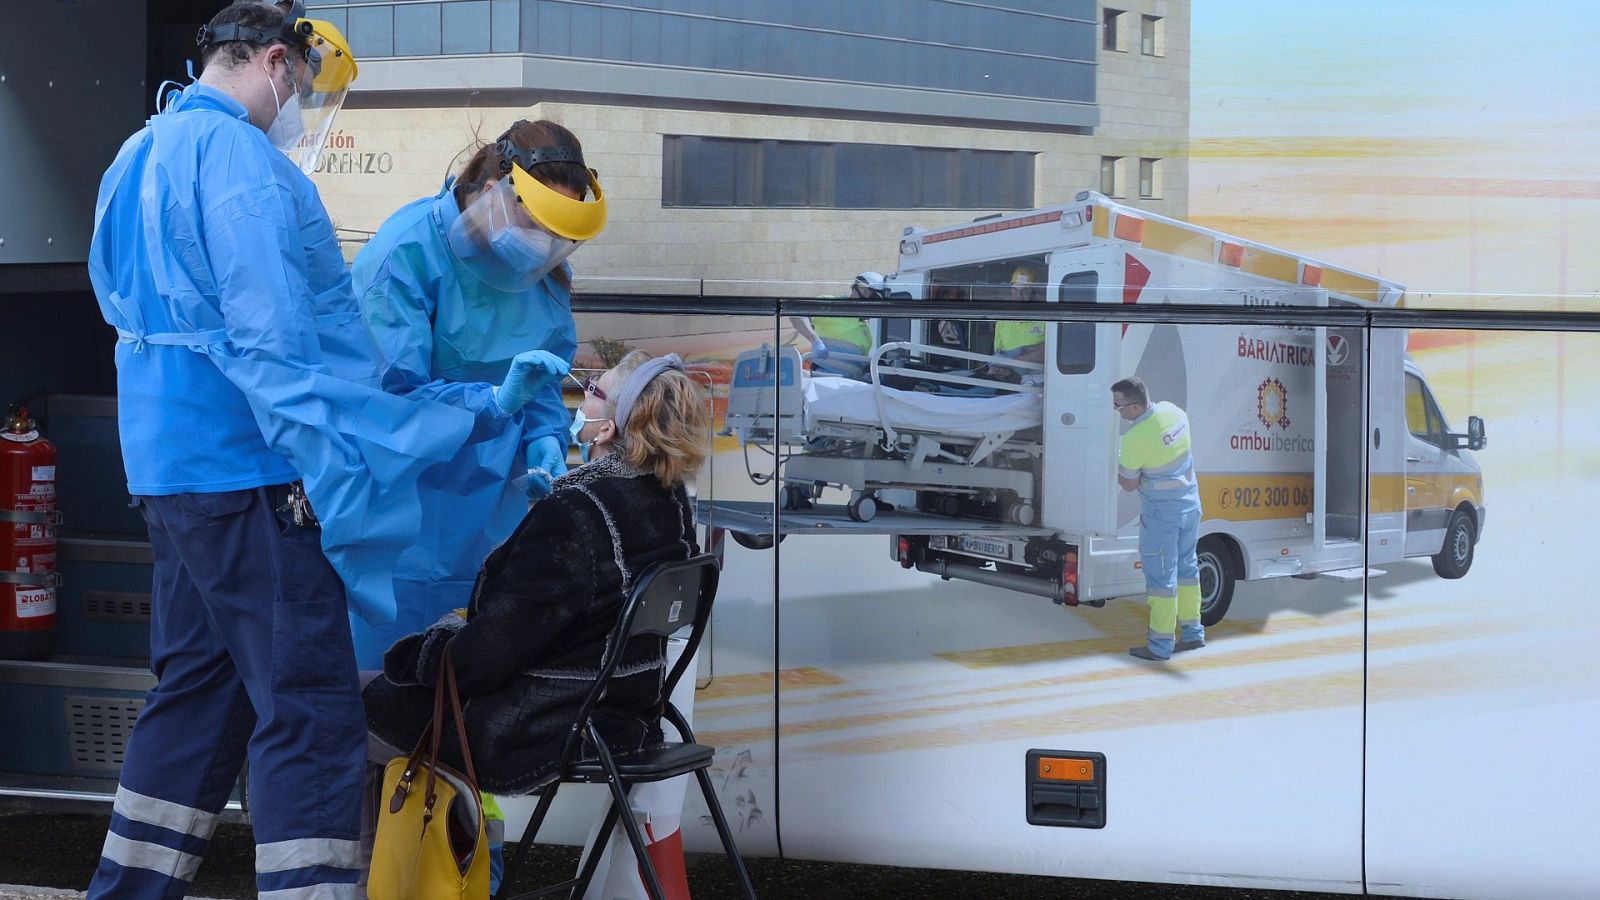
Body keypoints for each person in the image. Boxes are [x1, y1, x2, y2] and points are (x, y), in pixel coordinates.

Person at [81, 4, 379, 896]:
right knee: (311, 705)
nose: (300, 107)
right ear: (277, 62)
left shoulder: (136, 151)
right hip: (249, 467)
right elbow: (277, 331)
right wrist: (330, 457)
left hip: (167, 468)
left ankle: (127, 890)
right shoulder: (242, 160)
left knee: (197, 696)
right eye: (305, 86)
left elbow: (117, 301)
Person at [349, 117, 602, 891]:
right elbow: (387, 410)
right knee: (379, 732)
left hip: (483, 536)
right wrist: (492, 403)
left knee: (460, 727)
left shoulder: (541, 281)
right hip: (393, 529)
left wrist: (545, 445)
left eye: (561, 240)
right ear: (492, 192)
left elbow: (543, 388)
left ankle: (462, 880)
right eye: (536, 226)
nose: (543, 251)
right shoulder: (405, 257)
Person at [362, 349, 709, 798]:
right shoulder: (670, 503)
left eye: (592, 391)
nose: (580, 401)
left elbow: (489, 653)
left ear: (607, 428)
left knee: (344, 708)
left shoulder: (576, 514)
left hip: (538, 726)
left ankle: (375, 870)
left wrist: (416, 657)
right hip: (624, 716)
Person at [1113, 376, 1205, 661]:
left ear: (1135, 407)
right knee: (1188, 571)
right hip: (1190, 507)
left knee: (1161, 581)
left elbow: (1128, 484)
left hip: (1162, 516)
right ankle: (1193, 634)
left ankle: (1160, 646)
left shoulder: (1135, 438)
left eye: (1118, 406)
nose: (1117, 411)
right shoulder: (1175, 412)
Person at [790, 271, 882, 378]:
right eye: (874, 299)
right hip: (822, 380)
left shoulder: (867, 335)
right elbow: (796, 313)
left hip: (849, 387)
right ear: (864, 292)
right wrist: (815, 341)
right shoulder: (833, 305)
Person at [987, 265, 1047, 386]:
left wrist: (1015, 361)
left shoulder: (1046, 316)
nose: (1019, 295)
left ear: (1034, 291)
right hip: (1010, 376)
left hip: (1039, 376)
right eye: (1015, 290)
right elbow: (998, 353)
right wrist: (997, 369)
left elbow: (1053, 351)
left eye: (1024, 290)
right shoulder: (1003, 321)